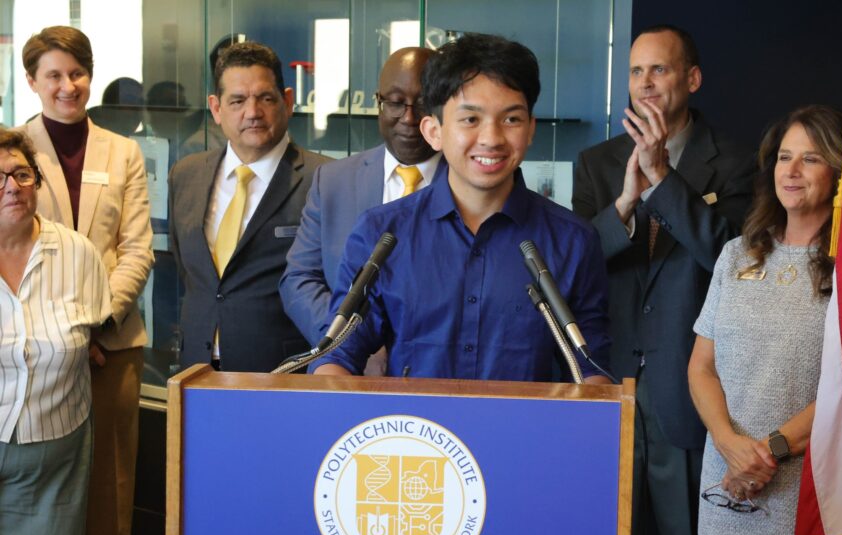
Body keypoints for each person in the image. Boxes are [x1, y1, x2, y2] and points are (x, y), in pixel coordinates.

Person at [571, 24, 755, 535]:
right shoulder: (595, 162)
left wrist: (662, 181)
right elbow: (578, 265)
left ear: (692, 80)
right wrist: (626, 199)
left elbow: (730, 258)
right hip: (608, 390)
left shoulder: (732, 161)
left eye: (660, 71)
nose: (646, 83)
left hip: (688, 399)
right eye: (637, 72)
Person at [312, 33, 610, 383]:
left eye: (511, 119)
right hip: (414, 436)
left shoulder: (573, 241)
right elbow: (337, 356)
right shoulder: (382, 235)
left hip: (526, 435)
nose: (491, 138)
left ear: (530, 129)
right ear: (433, 131)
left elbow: (593, 371)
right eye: (471, 120)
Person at [688, 105, 842, 535]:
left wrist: (769, 452)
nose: (793, 170)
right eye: (784, 157)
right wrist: (731, 445)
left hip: (799, 483)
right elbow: (701, 367)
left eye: (810, 157)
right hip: (726, 475)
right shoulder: (737, 254)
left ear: (838, 171)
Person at [20, 26, 154, 535]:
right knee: (33, 506)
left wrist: (95, 325)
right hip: (27, 354)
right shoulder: (11, 151)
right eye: (54, 75)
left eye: (78, 73)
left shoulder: (122, 151)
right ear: (32, 82)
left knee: (111, 503)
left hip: (113, 347)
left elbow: (137, 249)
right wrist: (65, 333)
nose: (68, 86)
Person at [0, 129, 112, 535]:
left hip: (52, 458)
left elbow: (88, 331)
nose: (11, 186)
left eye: (21, 174)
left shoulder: (77, 253)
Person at [168, 41, 328, 372]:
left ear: (287, 100)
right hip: (196, 367)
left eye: (265, 99)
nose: (252, 112)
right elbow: (189, 271)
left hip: (283, 372)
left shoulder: (325, 179)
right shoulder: (186, 174)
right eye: (237, 101)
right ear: (215, 108)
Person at [281, 46, 439, 376]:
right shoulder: (334, 180)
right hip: (343, 376)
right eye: (396, 102)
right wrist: (351, 341)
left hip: (440, 378)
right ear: (378, 102)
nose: (409, 119)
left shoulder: (470, 185)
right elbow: (299, 279)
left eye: (423, 103)